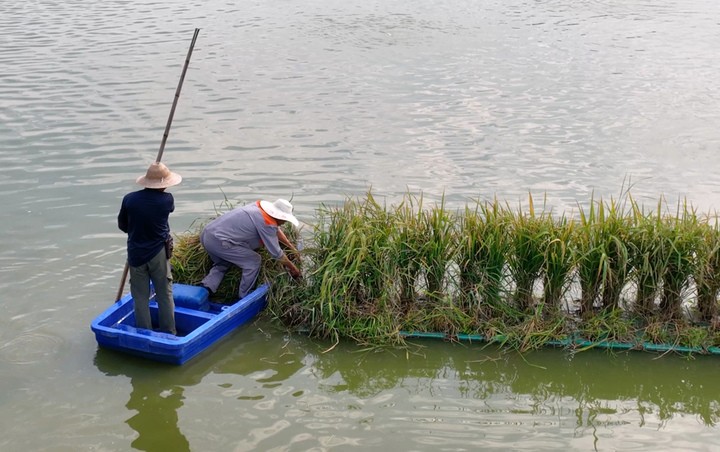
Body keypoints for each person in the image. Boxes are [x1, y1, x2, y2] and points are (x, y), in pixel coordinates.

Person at [118, 162, 181, 335]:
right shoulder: (167, 200)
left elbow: (122, 225)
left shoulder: (129, 199)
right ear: (164, 184)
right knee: (164, 293)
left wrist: (136, 233)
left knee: (140, 296)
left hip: (136, 253)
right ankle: (169, 332)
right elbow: (170, 210)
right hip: (158, 253)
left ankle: (144, 332)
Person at [199, 198, 302, 299]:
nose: (285, 222)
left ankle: (206, 287)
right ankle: (244, 296)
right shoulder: (267, 223)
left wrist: (291, 248)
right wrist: (293, 269)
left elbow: (276, 230)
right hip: (220, 241)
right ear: (278, 216)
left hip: (207, 235)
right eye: (284, 219)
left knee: (223, 262)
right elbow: (276, 253)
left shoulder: (258, 208)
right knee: (253, 261)